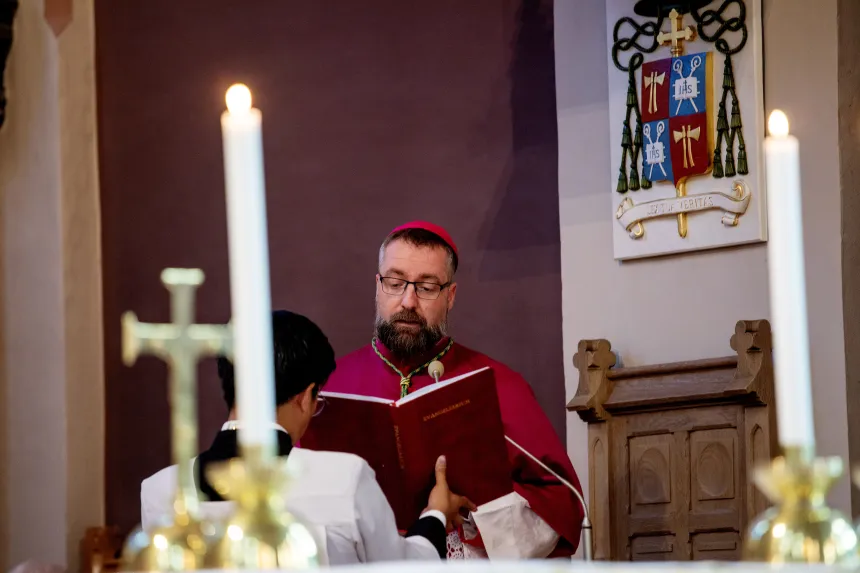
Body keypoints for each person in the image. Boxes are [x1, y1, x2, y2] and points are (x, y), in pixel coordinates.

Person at [323, 221, 585, 560]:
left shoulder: (498, 384)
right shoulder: (329, 384)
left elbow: (560, 502)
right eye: (395, 282)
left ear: (451, 296)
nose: (408, 300)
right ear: (378, 286)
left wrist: (469, 515)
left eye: (427, 287)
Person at [139, 310, 475, 565]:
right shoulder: (344, 477)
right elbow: (401, 568)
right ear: (306, 396)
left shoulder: (160, 490)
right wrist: (435, 515)